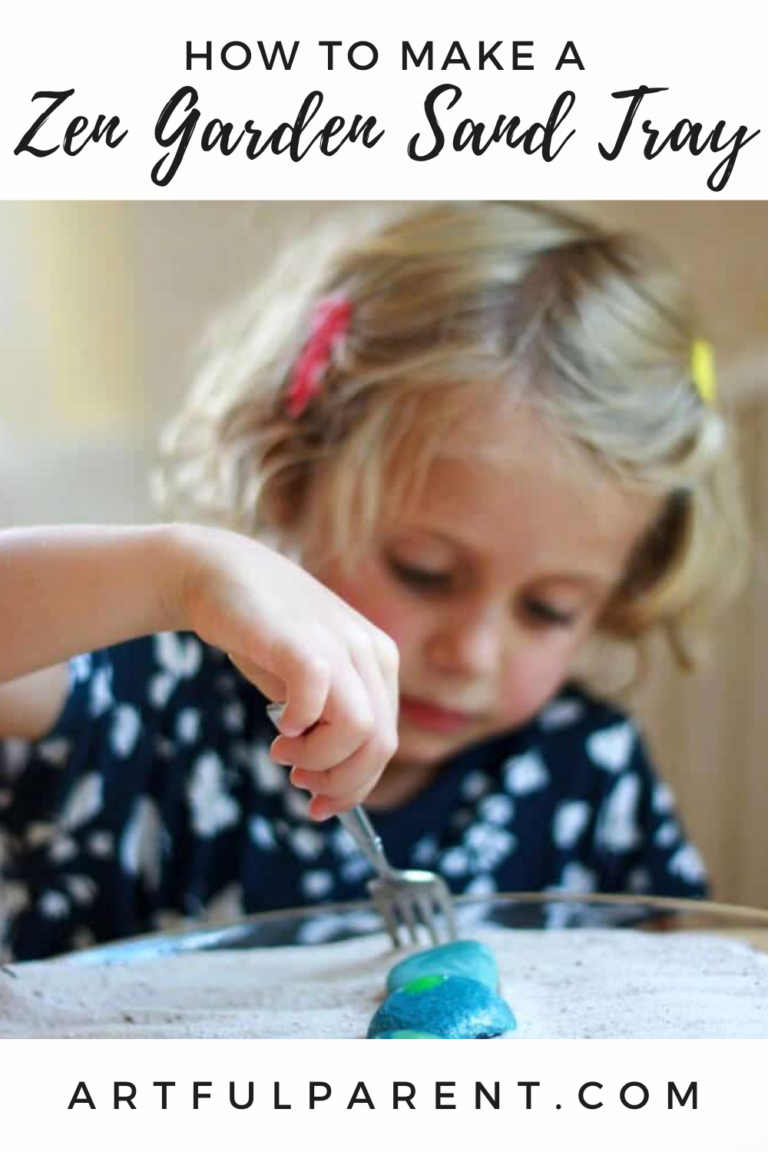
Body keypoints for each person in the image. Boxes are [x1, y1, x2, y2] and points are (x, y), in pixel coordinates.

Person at [0, 202, 748, 961]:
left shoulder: (591, 773)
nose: (472, 651)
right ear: (292, 477)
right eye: (423, 573)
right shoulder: (146, 698)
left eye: (550, 610)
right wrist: (178, 572)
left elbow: (673, 1001)